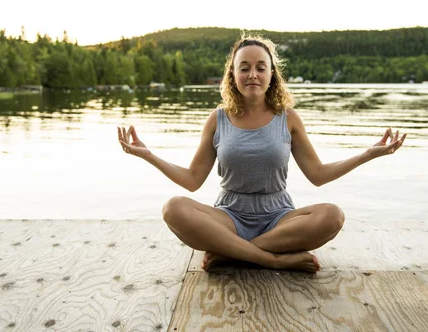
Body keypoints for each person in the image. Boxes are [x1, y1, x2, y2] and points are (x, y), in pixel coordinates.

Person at [117, 34, 407, 273]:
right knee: (173, 208)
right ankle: (272, 258)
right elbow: (193, 180)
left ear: (271, 74)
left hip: (278, 218)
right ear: (233, 74)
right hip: (228, 217)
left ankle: (230, 253)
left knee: (332, 216)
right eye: (244, 67)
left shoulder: (288, 118)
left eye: (260, 67)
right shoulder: (216, 119)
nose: (252, 74)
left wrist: (368, 154)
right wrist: (148, 155)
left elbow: (318, 175)